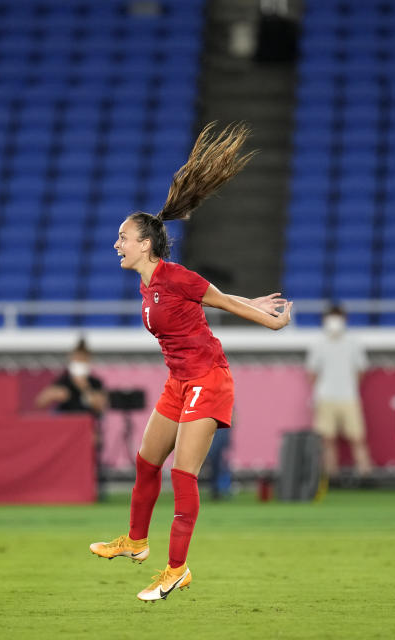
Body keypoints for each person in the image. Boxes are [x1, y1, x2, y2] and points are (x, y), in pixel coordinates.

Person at [88, 122, 293, 601]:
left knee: (183, 474)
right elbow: (216, 298)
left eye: (122, 237)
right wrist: (254, 302)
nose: (116, 244)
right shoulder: (147, 284)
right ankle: (135, 542)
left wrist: (267, 319)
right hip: (179, 381)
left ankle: (176, 569)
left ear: (145, 244)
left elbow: (217, 299)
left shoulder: (173, 276)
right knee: (145, 463)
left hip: (208, 379)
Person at [306, 303, 373, 490]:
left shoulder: (354, 343)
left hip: (349, 397)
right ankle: (332, 477)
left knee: (357, 437)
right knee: (327, 440)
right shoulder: (318, 343)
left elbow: (360, 371)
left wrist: (348, 387)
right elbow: (312, 373)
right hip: (325, 397)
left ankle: (365, 475)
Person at [34, 338, 107, 417]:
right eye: (77, 359)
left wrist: (85, 389)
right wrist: (52, 394)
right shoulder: (63, 381)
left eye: (82, 360)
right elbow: (40, 402)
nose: (79, 363)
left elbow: (101, 406)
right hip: (68, 424)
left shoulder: (95, 383)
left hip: (87, 424)